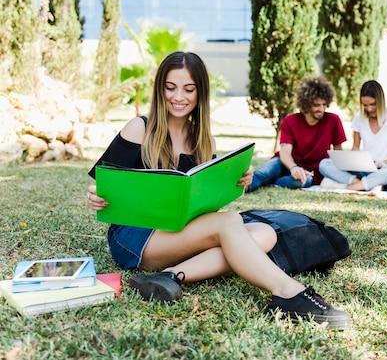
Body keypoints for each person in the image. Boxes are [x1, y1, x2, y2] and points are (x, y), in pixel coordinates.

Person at [86, 52, 350, 329]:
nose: (179, 97)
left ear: (200, 92)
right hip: (135, 236)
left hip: (180, 232)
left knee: (265, 233)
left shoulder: (204, 139)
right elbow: (104, 185)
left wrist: (235, 181)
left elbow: (207, 202)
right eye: (170, 87)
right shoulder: (140, 128)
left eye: (189, 89)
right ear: (160, 89)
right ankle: (288, 292)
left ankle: (171, 275)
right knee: (231, 222)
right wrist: (95, 196)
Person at [247, 76, 347, 192]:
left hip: (310, 172)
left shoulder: (333, 120)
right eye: (316, 105)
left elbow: (338, 152)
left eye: (324, 105)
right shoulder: (290, 121)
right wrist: (294, 168)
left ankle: (273, 182)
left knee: (304, 181)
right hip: (285, 163)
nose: (321, 109)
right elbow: (285, 152)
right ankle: (242, 188)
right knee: (263, 173)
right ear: (306, 104)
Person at [318, 80, 387, 191]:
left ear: (381, 101)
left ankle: (349, 187)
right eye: (365, 105)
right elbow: (356, 146)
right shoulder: (359, 117)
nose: (369, 109)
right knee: (324, 164)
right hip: (364, 167)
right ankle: (364, 184)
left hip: (385, 167)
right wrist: (352, 161)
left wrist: (385, 162)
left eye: (373, 104)